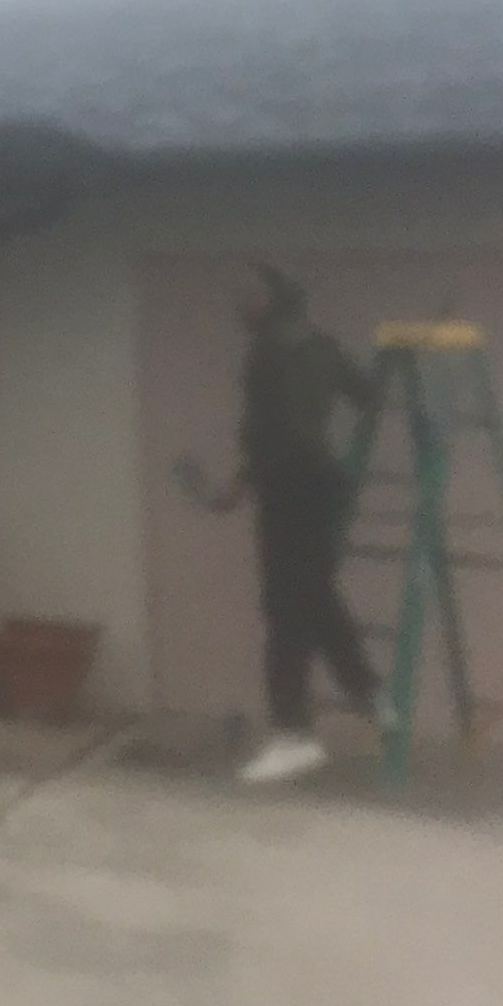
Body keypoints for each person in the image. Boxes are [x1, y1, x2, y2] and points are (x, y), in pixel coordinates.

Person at [178, 265, 390, 785]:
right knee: (313, 595)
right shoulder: (322, 345)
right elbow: (369, 395)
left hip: (289, 486)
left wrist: (240, 484)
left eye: (248, 296)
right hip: (321, 486)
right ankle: (371, 694)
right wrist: (399, 359)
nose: (238, 304)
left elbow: (271, 432)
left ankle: (294, 736)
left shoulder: (267, 353)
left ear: (273, 299)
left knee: (285, 610)